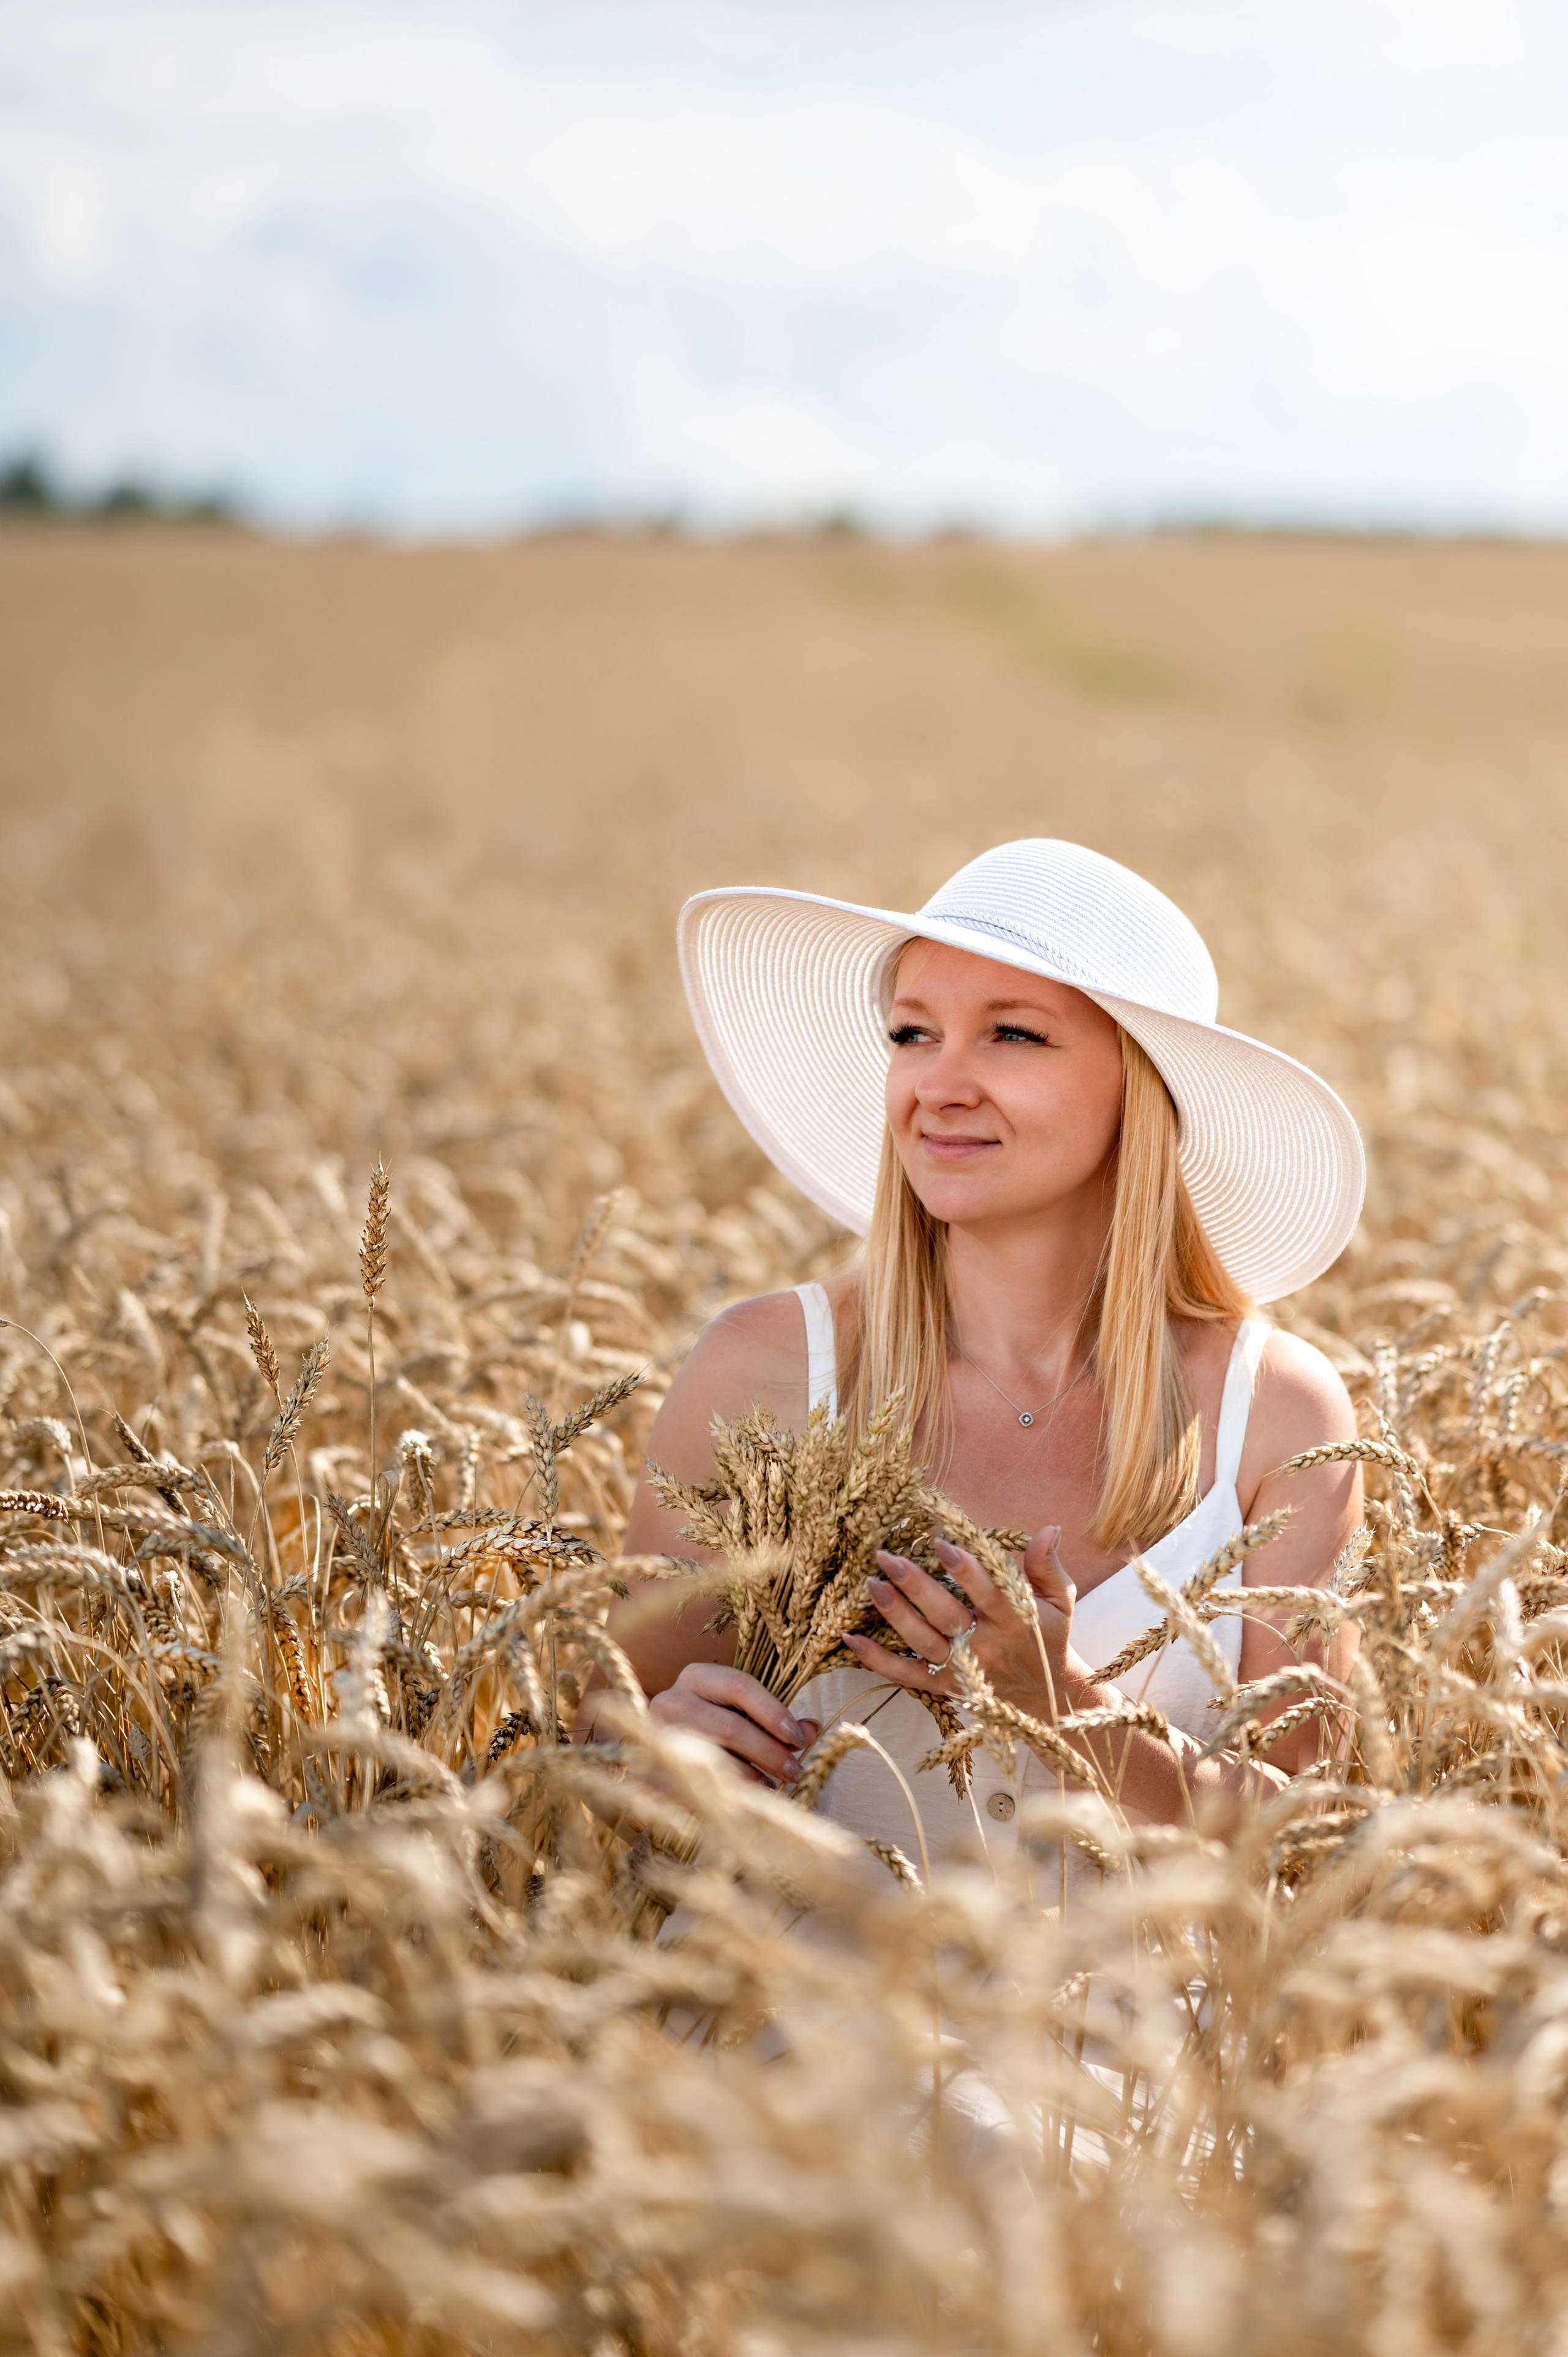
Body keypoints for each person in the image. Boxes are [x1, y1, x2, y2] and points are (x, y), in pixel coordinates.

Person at [588, 839, 1365, 1859]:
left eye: (1011, 1035)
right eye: (913, 1034)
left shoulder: (1276, 1416)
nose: (940, 1085)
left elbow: (1309, 1837)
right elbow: (601, 1745)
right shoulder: (767, 1369)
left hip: (1133, 2021)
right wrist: (647, 1750)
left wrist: (1060, 1702)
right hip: (789, 2014)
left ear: (1142, 1088)